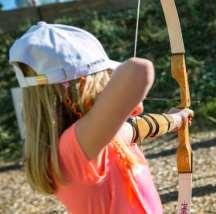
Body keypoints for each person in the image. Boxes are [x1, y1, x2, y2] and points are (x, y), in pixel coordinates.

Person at [9, 22, 193, 214]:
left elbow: (139, 127)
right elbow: (139, 69)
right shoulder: (75, 147)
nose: (109, 80)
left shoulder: (93, 142)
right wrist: (127, 101)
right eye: (106, 75)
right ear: (81, 84)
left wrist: (177, 118)